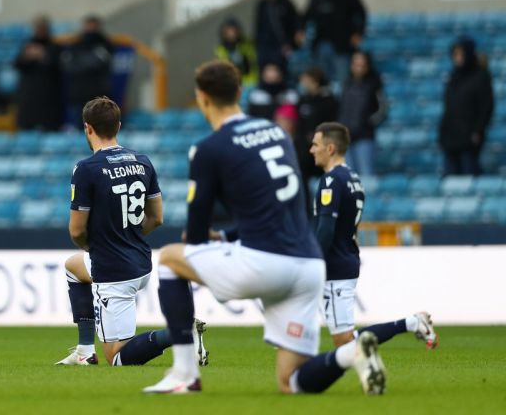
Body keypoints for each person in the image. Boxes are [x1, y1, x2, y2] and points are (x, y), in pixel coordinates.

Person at [143, 60, 387, 396]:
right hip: (308, 267)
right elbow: (277, 209)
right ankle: (351, 352)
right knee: (291, 383)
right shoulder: (277, 133)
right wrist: (227, 237)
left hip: (264, 265)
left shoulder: (207, 149)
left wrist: (207, 247)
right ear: (240, 93)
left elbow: (196, 236)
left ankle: (185, 373)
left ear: (201, 98)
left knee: (171, 258)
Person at [55, 97, 208, 367]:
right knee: (73, 268)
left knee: (117, 357)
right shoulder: (142, 161)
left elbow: (77, 230)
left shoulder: (87, 168)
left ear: (87, 128)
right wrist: (126, 238)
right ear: (119, 126)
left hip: (113, 271)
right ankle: (84, 350)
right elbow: (157, 217)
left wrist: (97, 246)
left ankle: (180, 331)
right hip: (140, 261)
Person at [310, 122, 439, 348]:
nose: (311, 149)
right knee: (343, 340)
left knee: (345, 342)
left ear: (330, 148)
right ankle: (411, 323)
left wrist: (313, 263)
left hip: (335, 265)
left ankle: (411, 323)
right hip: (345, 257)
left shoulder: (332, 181)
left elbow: (326, 229)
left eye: (316, 144)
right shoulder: (353, 177)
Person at [303, 0, 367, 85]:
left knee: (343, 80)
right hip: (322, 44)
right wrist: (300, 31)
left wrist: (358, 33)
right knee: (322, 81)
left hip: (342, 44)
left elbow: (361, 12)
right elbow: (306, 16)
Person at [439, 37, 494, 176]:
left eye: (460, 54)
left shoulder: (480, 77)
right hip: (450, 138)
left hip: (469, 138)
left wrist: (478, 130)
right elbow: (448, 107)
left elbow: (486, 107)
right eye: (455, 55)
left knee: (468, 176)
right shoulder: (453, 77)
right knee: (451, 181)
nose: (457, 58)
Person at [294, 67, 339, 213]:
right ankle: (306, 211)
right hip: (305, 151)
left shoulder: (328, 100)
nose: (302, 82)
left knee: (327, 180)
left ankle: (328, 209)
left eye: (305, 78)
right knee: (303, 180)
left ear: (313, 80)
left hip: (324, 149)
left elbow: (333, 124)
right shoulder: (303, 100)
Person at [61, 15, 114, 130]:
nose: (90, 29)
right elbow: (68, 65)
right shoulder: (76, 44)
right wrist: (87, 62)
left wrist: (80, 63)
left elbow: (99, 62)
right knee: (79, 130)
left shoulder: (106, 44)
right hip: (78, 93)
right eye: (88, 26)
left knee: (99, 128)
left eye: (93, 26)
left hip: (98, 94)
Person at [338, 51, 386, 176]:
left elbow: (383, 110)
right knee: (347, 175)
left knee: (366, 175)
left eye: (362, 64)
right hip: (345, 137)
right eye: (356, 64)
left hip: (364, 137)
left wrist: (367, 123)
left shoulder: (374, 85)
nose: (359, 67)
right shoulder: (345, 84)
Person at [13, 15, 62, 131]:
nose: (39, 31)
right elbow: (17, 64)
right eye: (37, 28)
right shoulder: (27, 45)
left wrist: (43, 56)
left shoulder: (55, 47)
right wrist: (27, 57)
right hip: (28, 96)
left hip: (48, 96)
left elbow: (58, 67)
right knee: (26, 130)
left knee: (50, 130)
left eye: (42, 28)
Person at [254, 0, 303, 70]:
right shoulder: (261, 3)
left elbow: (295, 20)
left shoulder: (285, 1)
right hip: (264, 47)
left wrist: (289, 43)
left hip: (282, 47)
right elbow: (258, 27)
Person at [215, 18, 258, 87]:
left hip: (252, 81)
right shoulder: (221, 50)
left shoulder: (247, 44)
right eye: (229, 32)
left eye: (233, 31)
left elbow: (253, 61)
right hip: (234, 84)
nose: (232, 34)